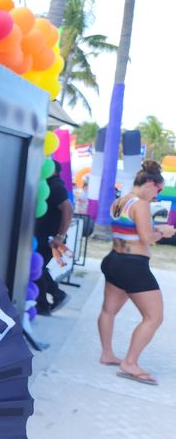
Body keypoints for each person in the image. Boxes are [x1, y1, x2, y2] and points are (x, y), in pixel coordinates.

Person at [98, 160, 175, 385]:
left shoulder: (119, 201)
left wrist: (155, 230)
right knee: (154, 317)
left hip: (114, 260)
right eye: (158, 190)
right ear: (149, 183)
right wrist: (164, 232)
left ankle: (107, 354)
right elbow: (146, 238)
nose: (157, 196)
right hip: (133, 267)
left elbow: (131, 231)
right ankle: (130, 363)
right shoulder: (141, 204)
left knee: (108, 311)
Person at [34, 160, 74, 315]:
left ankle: (52, 299)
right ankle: (46, 302)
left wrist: (60, 236)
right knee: (39, 268)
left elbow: (68, 209)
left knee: (38, 269)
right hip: (46, 236)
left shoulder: (55, 185)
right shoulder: (48, 184)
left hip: (51, 238)